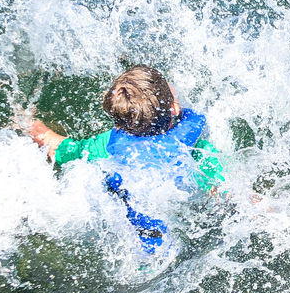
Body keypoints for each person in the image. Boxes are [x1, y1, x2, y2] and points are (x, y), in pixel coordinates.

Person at [27, 64, 224, 252]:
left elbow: (55, 146)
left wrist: (27, 122)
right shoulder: (195, 148)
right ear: (174, 108)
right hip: (176, 234)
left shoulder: (106, 145)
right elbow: (224, 191)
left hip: (130, 242)